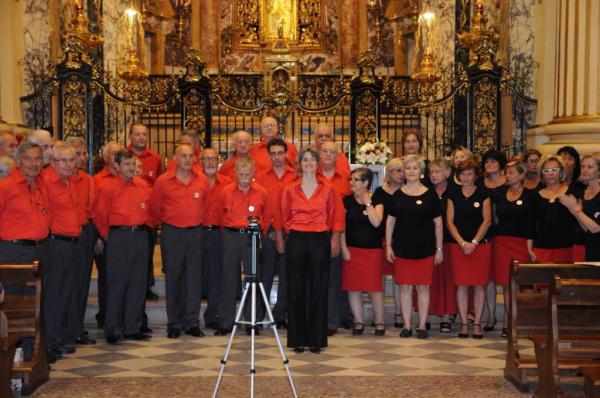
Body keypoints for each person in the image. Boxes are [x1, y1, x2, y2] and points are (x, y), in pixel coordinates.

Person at [281, 147, 343, 353]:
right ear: (299, 163)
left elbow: (333, 215)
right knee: (296, 289)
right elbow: (285, 215)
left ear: (317, 164)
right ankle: (297, 339)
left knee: (319, 289)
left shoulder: (327, 189)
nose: (308, 163)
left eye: (312, 160)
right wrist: (297, 229)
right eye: (304, 160)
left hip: (319, 240)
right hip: (297, 238)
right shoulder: (290, 189)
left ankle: (316, 339)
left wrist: (330, 236)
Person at [150, 144, 209, 338]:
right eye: (183, 156)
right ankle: (174, 323)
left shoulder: (202, 180)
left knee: (194, 279)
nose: (187, 159)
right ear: (175, 157)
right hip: (173, 233)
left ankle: (192, 322)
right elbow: (155, 208)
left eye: (190, 156)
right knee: (174, 278)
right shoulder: (163, 181)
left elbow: (206, 205)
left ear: (195, 158)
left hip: (195, 233)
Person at [214, 157, 277, 336]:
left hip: (252, 237)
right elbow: (220, 214)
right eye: (240, 174)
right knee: (228, 278)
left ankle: (252, 321)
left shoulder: (262, 192)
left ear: (253, 173)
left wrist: (259, 235)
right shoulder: (225, 192)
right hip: (231, 236)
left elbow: (266, 215)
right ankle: (225, 322)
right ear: (234, 173)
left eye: (247, 174)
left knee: (253, 278)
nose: (244, 178)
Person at [94, 150, 151, 344]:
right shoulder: (108, 188)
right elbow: (100, 215)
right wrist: (107, 237)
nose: (131, 167)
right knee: (117, 283)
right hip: (119, 236)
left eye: (133, 163)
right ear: (117, 166)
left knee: (138, 282)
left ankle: (132, 327)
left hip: (140, 235)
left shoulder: (142, 185)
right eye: (127, 164)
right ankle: (112, 327)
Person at [386, 155, 443, 339]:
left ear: (421, 172)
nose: (411, 171)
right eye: (407, 168)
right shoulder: (397, 195)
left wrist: (439, 249)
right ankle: (407, 325)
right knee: (405, 287)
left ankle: (421, 325)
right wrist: (388, 246)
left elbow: (439, 223)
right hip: (403, 248)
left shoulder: (430, 194)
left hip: (425, 249)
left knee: (423, 288)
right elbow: (390, 222)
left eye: (415, 168)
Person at [41, 144, 82, 357]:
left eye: (71, 160)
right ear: (53, 162)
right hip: (56, 243)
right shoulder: (47, 182)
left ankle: (58, 338)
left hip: (72, 242)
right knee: (54, 295)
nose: (69, 164)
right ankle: (49, 342)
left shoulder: (69, 182)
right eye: (64, 161)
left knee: (66, 293)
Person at [447, 158, 492, 339]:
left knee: (480, 286)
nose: (467, 177)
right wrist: (462, 243)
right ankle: (464, 323)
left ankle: (477, 323)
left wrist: (473, 242)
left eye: (470, 174)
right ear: (459, 176)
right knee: (462, 285)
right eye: (463, 174)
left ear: (475, 176)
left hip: (479, 246)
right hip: (458, 246)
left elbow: (487, 220)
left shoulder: (483, 193)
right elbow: (449, 222)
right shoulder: (453, 194)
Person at [255, 138, 297, 329]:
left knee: (288, 275)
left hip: (291, 230)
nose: (278, 157)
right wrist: (267, 229)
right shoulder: (262, 176)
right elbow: (259, 205)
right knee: (266, 274)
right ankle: (259, 314)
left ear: (286, 154)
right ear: (269, 155)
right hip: (269, 231)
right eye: (274, 153)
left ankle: (281, 315)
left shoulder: (295, 176)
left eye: (281, 153)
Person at [492, 159, 536, 337]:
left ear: (522, 174)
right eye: (506, 172)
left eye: (511, 173)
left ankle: (519, 321)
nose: (507, 176)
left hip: (520, 244)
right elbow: (495, 218)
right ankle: (507, 321)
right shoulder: (499, 193)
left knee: (518, 284)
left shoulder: (530, 196)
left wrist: (530, 247)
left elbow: (532, 224)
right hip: (502, 242)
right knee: (506, 285)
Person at [341, 168, 385, 336]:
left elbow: (376, 222)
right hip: (352, 249)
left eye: (356, 180)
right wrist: (344, 248)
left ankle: (379, 321)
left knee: (375, 288)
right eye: (350, 179)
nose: (351, 182)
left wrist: (368, 203)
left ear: (366, 183)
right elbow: (342, 227)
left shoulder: (378, 199)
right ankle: (358, 321)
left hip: (372, 251)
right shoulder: (346, 201)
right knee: (354, 288)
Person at [63, 136, 97, 346]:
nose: (82, 158)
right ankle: (64, 329)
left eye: (84, 153)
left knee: (82, 282)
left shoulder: (87, 180)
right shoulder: (58, 179)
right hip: (64, 237)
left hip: (84, 232)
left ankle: (76, 328)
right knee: (67, 284)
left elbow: (90, 208)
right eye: (77, 154)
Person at [318, 140, 352, 335]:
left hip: (337, 233)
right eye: (325, 151)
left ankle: (335, 319)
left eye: (332, 152)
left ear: (338, 155)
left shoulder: (345, 178)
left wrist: (337, 236)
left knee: (335, 279)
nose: (328, 154)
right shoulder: (312, 176)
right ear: (319, 153)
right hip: (315, 232)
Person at [127, 123, 162, 301]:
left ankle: (147, 286)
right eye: (137, 134)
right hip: (129, 212)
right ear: (130, 136)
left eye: (144, 134)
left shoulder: (155, 158)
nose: (141, 137)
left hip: (149, 213)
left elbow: (159, 184)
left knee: (147, 253)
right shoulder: (124, 156)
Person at [200, 148, 231, 330]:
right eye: (207, 159)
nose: (211, 162)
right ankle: (188, 318)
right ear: (200, 161)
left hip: (219, 234)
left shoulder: (227, 183)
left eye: (214, 159)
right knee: (194, 274)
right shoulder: (193, 182)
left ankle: (212, 315)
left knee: (216, 275)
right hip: (197, 231)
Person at [92, 141, 122, 329]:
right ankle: (105, 315)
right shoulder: (97, 180)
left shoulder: (127, 178)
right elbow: (93, 210)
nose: (118, 157)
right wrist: (99, 236)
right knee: (106, 279)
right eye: (114, 154)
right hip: (105, 236)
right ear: (105, 158)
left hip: (123, 237)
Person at [372, 157, 404, 328]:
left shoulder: (408, 191)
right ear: (389, 173)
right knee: (381, 278)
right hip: (382, 239)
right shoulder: (379, 192)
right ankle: (380, 314)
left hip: (402, 239)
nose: (401, 174)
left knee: (400, 278)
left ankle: (399, 313)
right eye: (397, 170)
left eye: (403, 170)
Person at [427, 159, 457, 333]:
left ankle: (447, 315)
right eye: (432, 172)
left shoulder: (454, 192)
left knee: (447, 280)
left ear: (447, 173)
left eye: (438, 171)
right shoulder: (426, 192)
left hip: (448, 242)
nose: (434, 175)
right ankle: (429, 313)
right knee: (430, 281)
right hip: (427, 242)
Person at [531, 155, 578, 262]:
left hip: (567, 247)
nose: (550, 174)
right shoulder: (535, 195)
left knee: (566, 278)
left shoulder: (572, 192)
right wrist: (530, 248)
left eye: (554, 170)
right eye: (546, 170)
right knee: (541, 278)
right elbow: (531, 224)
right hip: (541, 247)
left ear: (561, 172)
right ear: (542, 174)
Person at [479, 150, 507, 333]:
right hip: (486, 234)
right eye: (486, 162)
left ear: (500, 163)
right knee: (487, 278)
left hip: (505, 234)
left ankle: (507, 318)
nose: (489, 165)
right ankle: (490, 315)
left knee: (505, 279)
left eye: (493, 161)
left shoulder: (509, 182)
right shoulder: (481, 184)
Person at [559, 153, 600, 261]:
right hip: (590, 247)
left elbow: (596, 228)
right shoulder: (582, 193)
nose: (585, 170)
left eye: (590, 167)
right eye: (583, 166)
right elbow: (586, 228)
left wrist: (576, 209)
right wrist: (573, 209)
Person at [557, 146, 586, 261]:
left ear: (576, 163)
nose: (565, 162)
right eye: (562, 158)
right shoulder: (548, 186)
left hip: (574, 236)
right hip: (554, 235)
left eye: (570, 158)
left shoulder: (581, 187)